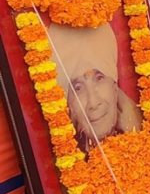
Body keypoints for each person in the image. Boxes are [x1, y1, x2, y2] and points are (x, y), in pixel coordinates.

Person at [49, 23, 142, 153]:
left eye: (99, 78)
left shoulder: (147, 133)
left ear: (115, 87)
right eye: (78, 88)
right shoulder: (61, 161)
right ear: (67, 105)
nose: (93, 102)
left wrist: (136, 132)